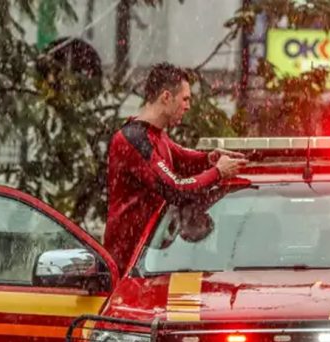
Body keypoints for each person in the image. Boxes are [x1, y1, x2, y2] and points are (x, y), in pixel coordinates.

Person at [104, 63, 247, 270]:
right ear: (166, 97)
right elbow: (175, 188)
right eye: (185, 99)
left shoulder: (154, 134)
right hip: (127, 266)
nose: (188, 106)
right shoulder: (135, 139)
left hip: (150, 261)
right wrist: (218, 172)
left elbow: (181, 158)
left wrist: (210, 158)